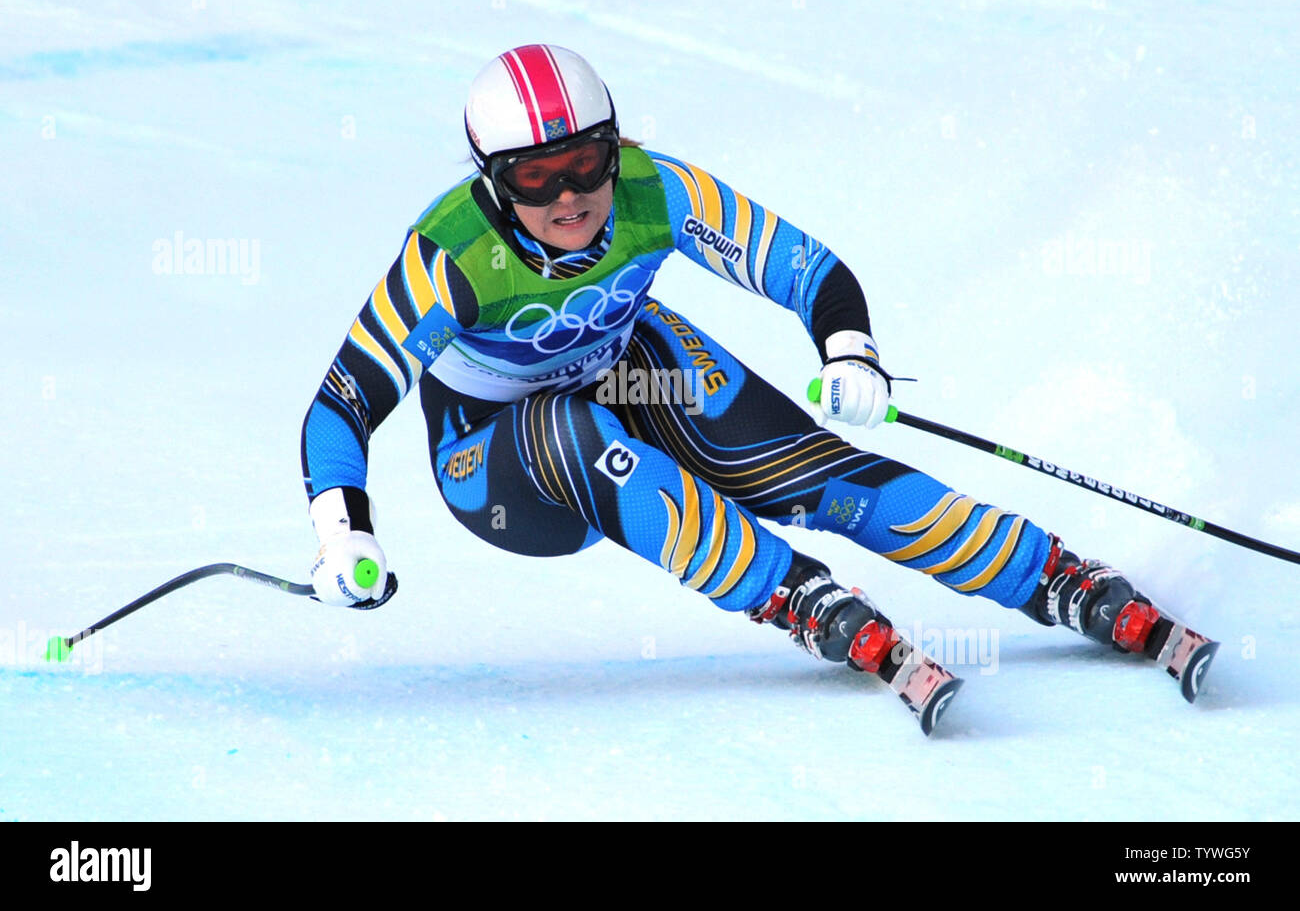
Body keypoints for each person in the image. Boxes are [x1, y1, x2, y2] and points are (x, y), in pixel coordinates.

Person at [300, 44, 1214, 730]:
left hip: (628, 362)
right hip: (498, 460)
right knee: (573, 431)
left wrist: (847, 350)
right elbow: (342, 402)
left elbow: (804, 266)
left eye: (587, 161)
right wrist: (344, 533)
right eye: (537, 178)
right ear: (493, 183)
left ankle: (1055, 577)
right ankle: (791, 593)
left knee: (819, 476)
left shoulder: (655, 191)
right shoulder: (451, 253)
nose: (571, 195)